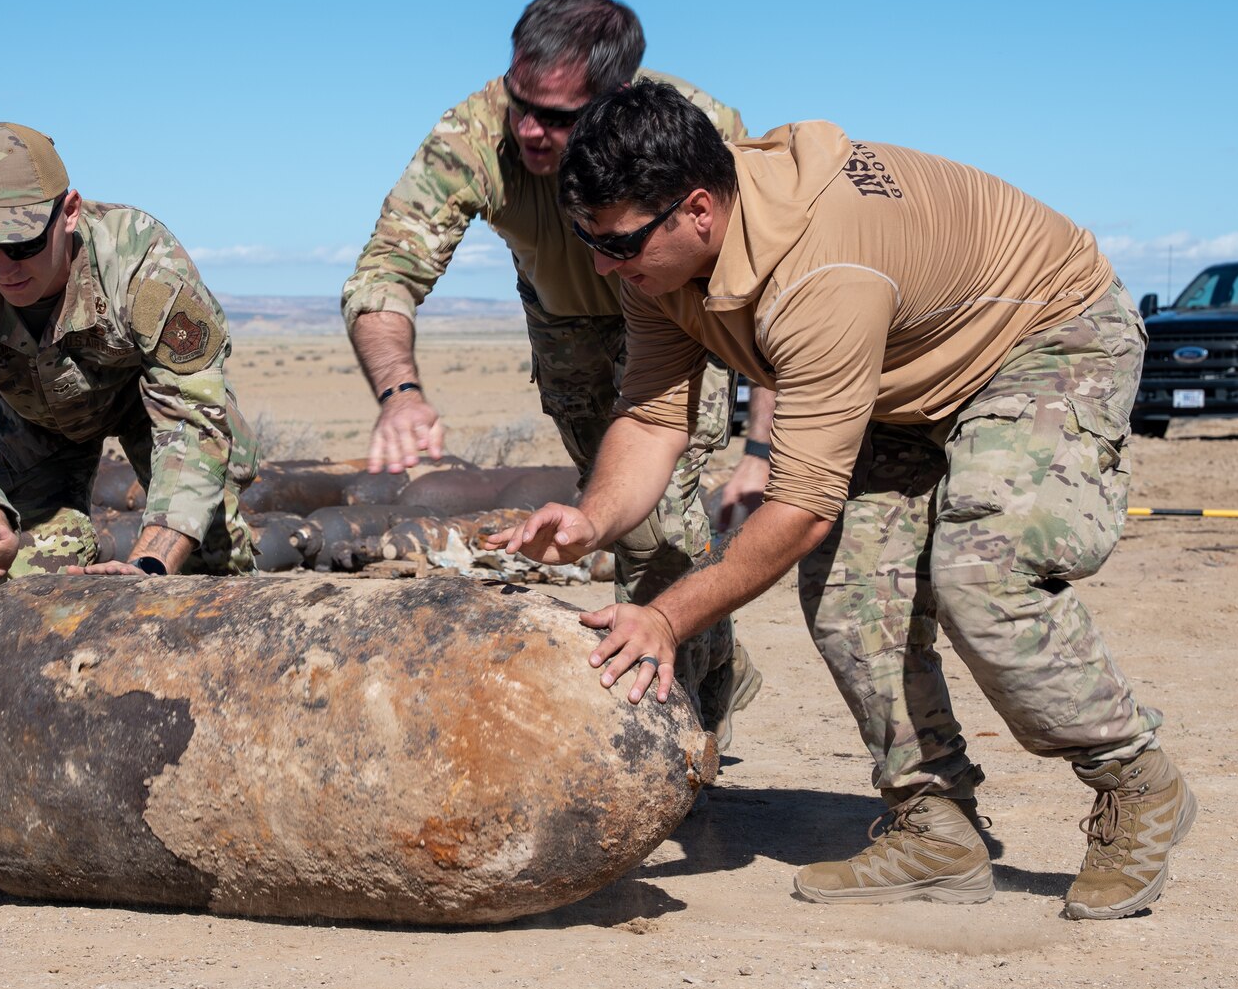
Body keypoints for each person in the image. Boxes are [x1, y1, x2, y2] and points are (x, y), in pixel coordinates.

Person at [501, 81, 1196, 921]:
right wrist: (592, 517)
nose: (604, 265)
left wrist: (667, 616)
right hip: (911, 371)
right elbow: (652, 416)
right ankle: (935, 824)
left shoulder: (821, 275)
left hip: (1047, 335)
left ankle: (1135, 779)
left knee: (983, 574)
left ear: (697, 211)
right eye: (588, 240)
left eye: (618, 245)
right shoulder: (658, 266)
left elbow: (799, 508)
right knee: (847, 587)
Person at [341, 0, 768, 742]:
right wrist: (400, 392)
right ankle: (716, 670)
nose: (532, 130)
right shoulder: (473, 135)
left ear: (620, 95)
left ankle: (681, 729)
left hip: (676, 318)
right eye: (521, 102)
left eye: (560, 116)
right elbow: (384, 273)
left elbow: (762, 276)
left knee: (656, 515)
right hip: (567, 331)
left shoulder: (696, 130)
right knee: (605, 510)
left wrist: (767, 431)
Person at [0, 121, 256, 584]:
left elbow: (191, 419)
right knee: (34, 585)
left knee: (208, 566)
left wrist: (149, 563)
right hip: (30, 426)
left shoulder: (141, 263)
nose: (4, 267)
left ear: (69, 211)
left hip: (145, 408)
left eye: (22, 243)